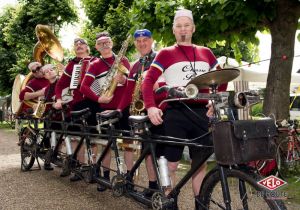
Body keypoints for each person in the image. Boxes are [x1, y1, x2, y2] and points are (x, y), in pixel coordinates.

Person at [142, 9, 227, 209]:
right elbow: (148, 81)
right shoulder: (165, 53)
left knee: (200, 165)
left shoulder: (206, 52)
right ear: (173, 30)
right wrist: (151, 107)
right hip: (176, 112)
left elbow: (223, 80)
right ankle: (170, 202)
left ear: (193, 28)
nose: (183, 30)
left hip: (201, 114)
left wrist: (215, 103)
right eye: (179, 26)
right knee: (172, 164)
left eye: (186, 25)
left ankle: (200, 204)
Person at [117, 29, 165, 196]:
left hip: (161, 109)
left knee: (163, 153)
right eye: (138, 41)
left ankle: (166, 186)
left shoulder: (161, 58)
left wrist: (157, 87)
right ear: (136, 44)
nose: (142, 43)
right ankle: (152, 185)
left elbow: (168, 83)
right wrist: (119, 109)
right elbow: (128, 91)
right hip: (143, 111)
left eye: (145, 39)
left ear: (151, 40)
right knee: (148, 150)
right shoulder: (135, 65)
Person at [80, 31, 130, 191]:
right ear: (96, 47)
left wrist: (125, 80)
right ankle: (105, 176)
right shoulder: (94, 64)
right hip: (106, 109)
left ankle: (129, 178)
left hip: (124, 107)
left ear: (112, 43)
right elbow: (84, 86)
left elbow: (132, 83)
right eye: (100, 43)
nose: (104, 45)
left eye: (107, 42)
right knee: (107, 144)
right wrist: (98, 99)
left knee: (129, 144)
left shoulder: (123, 60)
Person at [54, 37, 96, 181]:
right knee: (77, 138)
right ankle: (81, 167)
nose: (79, 46)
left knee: (95, 137)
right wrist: (59, 99)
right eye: (76, 44)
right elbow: (59, 85)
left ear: (87, 47)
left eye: (82, 43)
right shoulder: (72, 65)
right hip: (77, 104)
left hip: (95, 102)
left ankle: (94, 168)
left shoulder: (96, 61)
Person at [19, 62, 52, 170]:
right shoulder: (34, 82)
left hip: (55, 106)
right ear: (32, 73)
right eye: (34, 71)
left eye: (38, 68)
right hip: (43, 108)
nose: (37, 71)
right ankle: (47, 159)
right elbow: (22, 95)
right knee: (47, 130)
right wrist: (40, 93)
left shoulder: (52, 74)